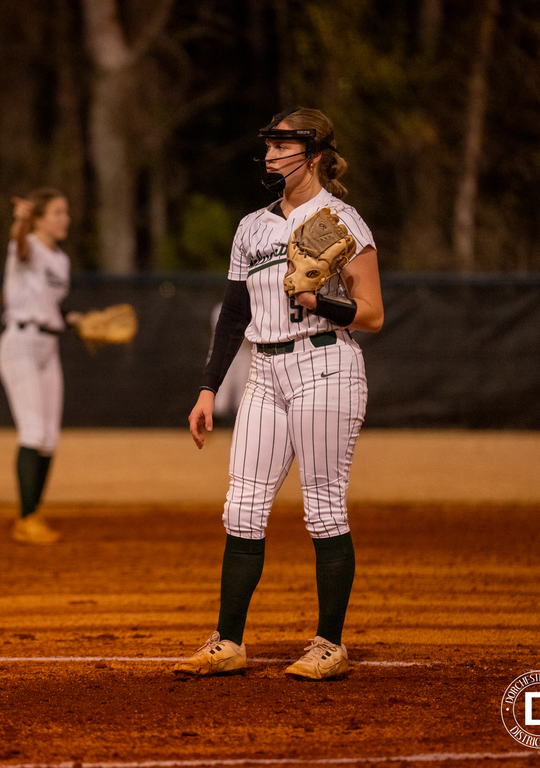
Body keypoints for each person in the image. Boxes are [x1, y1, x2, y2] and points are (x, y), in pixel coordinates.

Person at [174, 107, 384, 680]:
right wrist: (207, 388)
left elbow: (371, 315)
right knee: (242, 505)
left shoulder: (342, 220)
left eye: (282, 146)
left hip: (325, 364)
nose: (269, 155)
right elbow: (234, 316)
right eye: (268, 145)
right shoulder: (252, 227)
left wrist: (322, 300)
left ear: (313, 154)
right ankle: (229, 641)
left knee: (322, 505)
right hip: (264, 372)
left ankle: (329, 645)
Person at [0, 188, 80, 545]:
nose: (65, 219)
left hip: (49, 344)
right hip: (21, 343)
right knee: (32, 431)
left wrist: (70, 318)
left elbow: (48, 302)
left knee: (48, 437)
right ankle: (26, 518)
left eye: (66, 212)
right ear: (40, 218)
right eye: (58, 212)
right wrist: (20, 221)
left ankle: (34, 511)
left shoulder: (61, 261)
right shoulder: (25, 244)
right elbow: (21, 245)